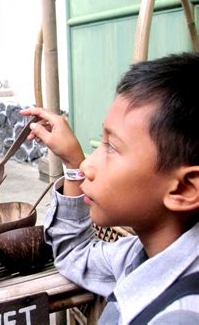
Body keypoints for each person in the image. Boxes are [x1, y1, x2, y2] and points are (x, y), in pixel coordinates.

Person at [21, 52, 198, 324]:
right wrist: (71, 161)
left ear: (184, 189)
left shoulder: (180, 317)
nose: (87, 166)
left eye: (112, 147)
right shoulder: (139, 254)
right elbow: (75, 254)